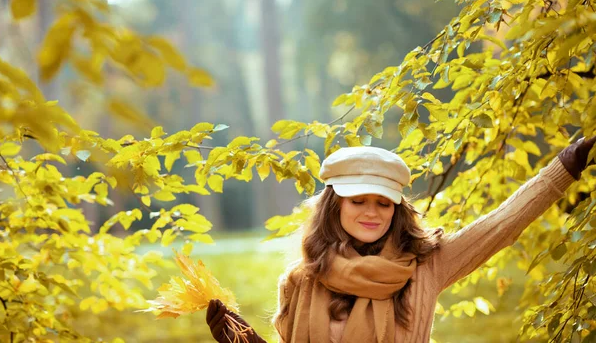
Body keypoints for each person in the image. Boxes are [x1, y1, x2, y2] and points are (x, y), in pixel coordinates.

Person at [206, 136, 596, 343]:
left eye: (384, 203)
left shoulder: (426, 263)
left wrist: (564, 167)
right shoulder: (301, 279)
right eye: (358, 201)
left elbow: (501, 226)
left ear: (397, 208)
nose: (372, 213)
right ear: (334, 206)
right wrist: (244, 342)